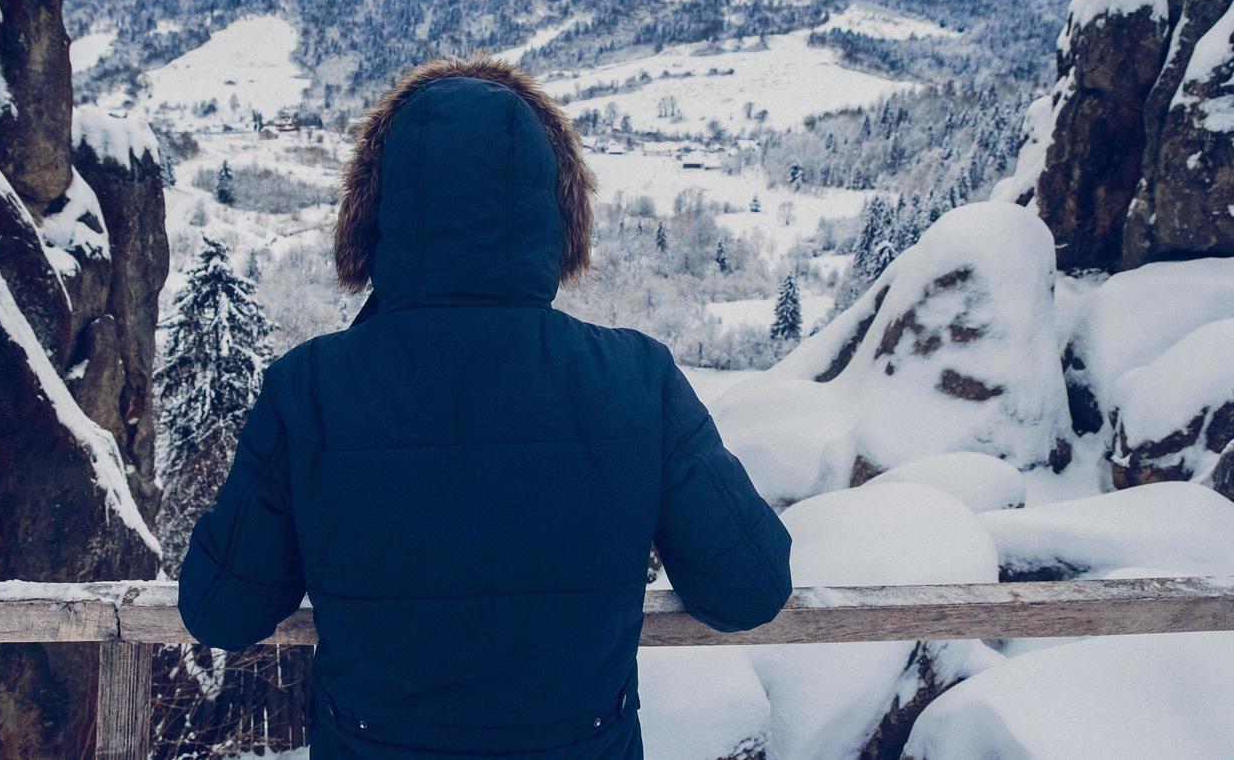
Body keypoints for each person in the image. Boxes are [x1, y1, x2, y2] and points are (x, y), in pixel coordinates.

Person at [177, 54, 793, 759]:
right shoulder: (636, 377)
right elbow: (749, 589)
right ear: (558, 215)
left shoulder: (312, 385)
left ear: (374, 215)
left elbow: (221, 609)